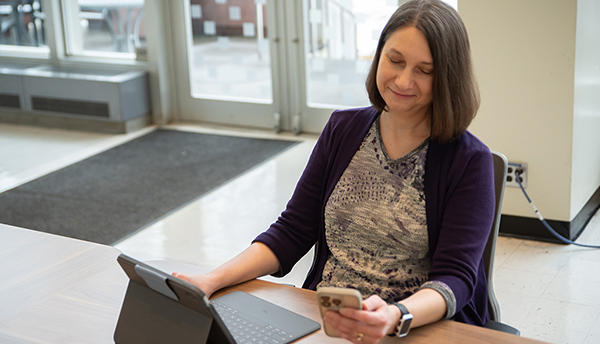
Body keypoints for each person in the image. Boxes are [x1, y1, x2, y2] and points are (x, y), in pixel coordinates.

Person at [174, 1, 495, 343]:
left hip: (411, 327)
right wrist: (213, 279)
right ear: (378, 55)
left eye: (424, 70)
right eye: (395, 60)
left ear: (447, 76)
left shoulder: (470, 161)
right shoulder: (342, 130)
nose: (403, 80)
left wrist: (393, 316)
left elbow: (455, 280)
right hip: (325, 319)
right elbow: (292, 232)